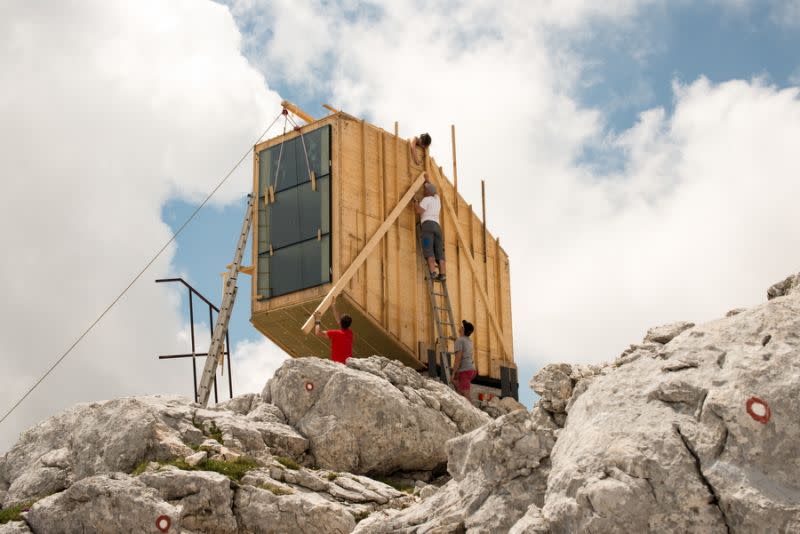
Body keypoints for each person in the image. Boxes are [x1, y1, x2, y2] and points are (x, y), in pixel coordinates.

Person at [413, 176, 446, 281]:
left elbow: (419, 211)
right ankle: (443, 274)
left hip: (427, 226)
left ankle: (433, 273)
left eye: (425, 189)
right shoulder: (437, 199)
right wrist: (427, 179)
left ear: (428, 192)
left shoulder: (426, 200)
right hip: (437, 227)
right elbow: (433, 189)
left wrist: (415, 203)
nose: (423, 191)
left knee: (429, 250)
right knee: (439, 252)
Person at [313, 296, 354, 364]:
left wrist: (317, 320)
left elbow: (317, 333)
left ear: (341, 323)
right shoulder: (350, 333)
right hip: (347, 366)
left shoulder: (335, 334)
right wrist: (333, 306)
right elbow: (339, 321)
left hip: (338, 365)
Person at [452, 320, 476, 402]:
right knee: (459, 389)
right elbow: (463, 343)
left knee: (465, 393)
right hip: (470, 369)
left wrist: (453, 372)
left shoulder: (460, 341)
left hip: (464, 370)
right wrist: (455, 339)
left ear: (463, 330)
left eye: (462, 327)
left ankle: (473, 412)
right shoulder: (468, 340)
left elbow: (458, 358)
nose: (460, 327)